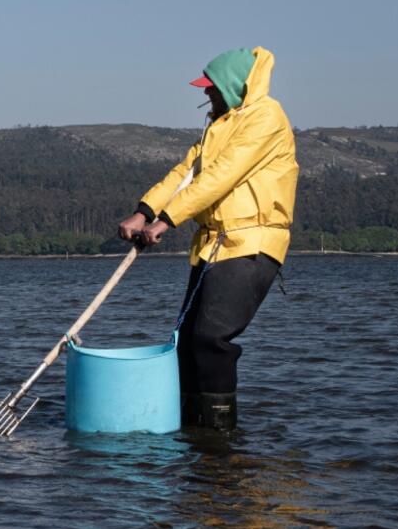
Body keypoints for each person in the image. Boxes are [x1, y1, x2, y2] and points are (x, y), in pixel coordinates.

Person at [116, 47, 297, 431]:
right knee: (185, 344)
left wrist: (167, 220)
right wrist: (144, 211)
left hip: (251, 243)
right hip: (214, 246)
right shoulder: (218, 125)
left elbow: (223, 176)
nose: (206, 96)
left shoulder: (266, 117)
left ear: (233, 86)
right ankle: (191, 435)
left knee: (211, 340)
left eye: (212, 89)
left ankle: (219, 443)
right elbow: (186, 174)